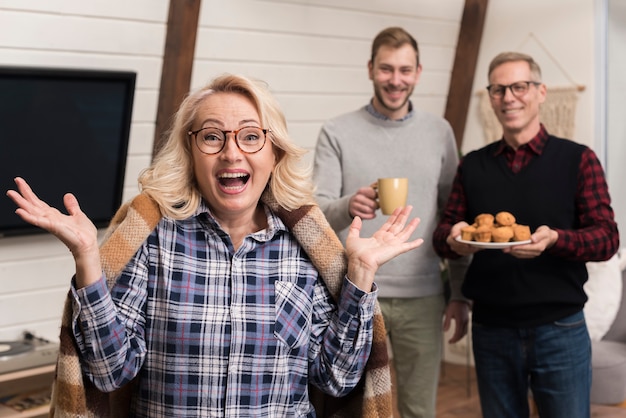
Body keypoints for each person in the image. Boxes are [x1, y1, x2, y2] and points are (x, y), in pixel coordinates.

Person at [6, 74, 425, 417]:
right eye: (211, 137)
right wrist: (87, 258)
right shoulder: (153, 239)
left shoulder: (306, 247)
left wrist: (361, 275)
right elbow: (110, 372)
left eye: (249, 136)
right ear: (190, 151)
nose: (231, 153)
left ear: (274, 151)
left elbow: (336, 378)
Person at [432, 51, 620, 418]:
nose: (509, 97)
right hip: (491, 328)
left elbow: (606, 238)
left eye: (520, 86)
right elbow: (444, 234)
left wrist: (555, 241)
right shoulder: (472, 164)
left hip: (560, 329)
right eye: (499, 89)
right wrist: (453, 239)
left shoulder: (578, 159)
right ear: (490, 98)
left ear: (541, 92)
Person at [312, 27, 471, 418]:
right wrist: (351, 204)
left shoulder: (440, 132)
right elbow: (316, 210)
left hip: (424, 295)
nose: (395, 80)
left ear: (418, 72)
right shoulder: (336, 131)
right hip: (355, 294)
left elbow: (454, 218)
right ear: (370, 69)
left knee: (420, 409)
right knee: (356, 410)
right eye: (386, 69)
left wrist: (460, 293)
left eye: (404, 70)